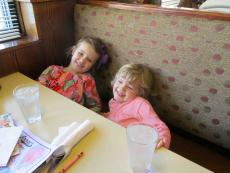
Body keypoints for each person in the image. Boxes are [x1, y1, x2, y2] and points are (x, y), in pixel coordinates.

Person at [103, 64, 171, 148]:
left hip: (131, 146)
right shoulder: (113, 102)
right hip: (112, 138)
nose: (122, 88)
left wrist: (162, 139)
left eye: (130, 87)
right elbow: (115, 115)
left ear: (140, 92)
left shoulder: (140, 104)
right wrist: (104, 115)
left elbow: (160, 126)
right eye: (120, 81)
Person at [38, 36, 109, 113]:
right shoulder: (52, 70)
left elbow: (96, 106)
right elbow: (37, 90)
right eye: (81, 53)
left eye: (89, 60)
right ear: (73, 50)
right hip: (44, 111)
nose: (82, 61)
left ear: (93, 65)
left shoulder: (87, 80)